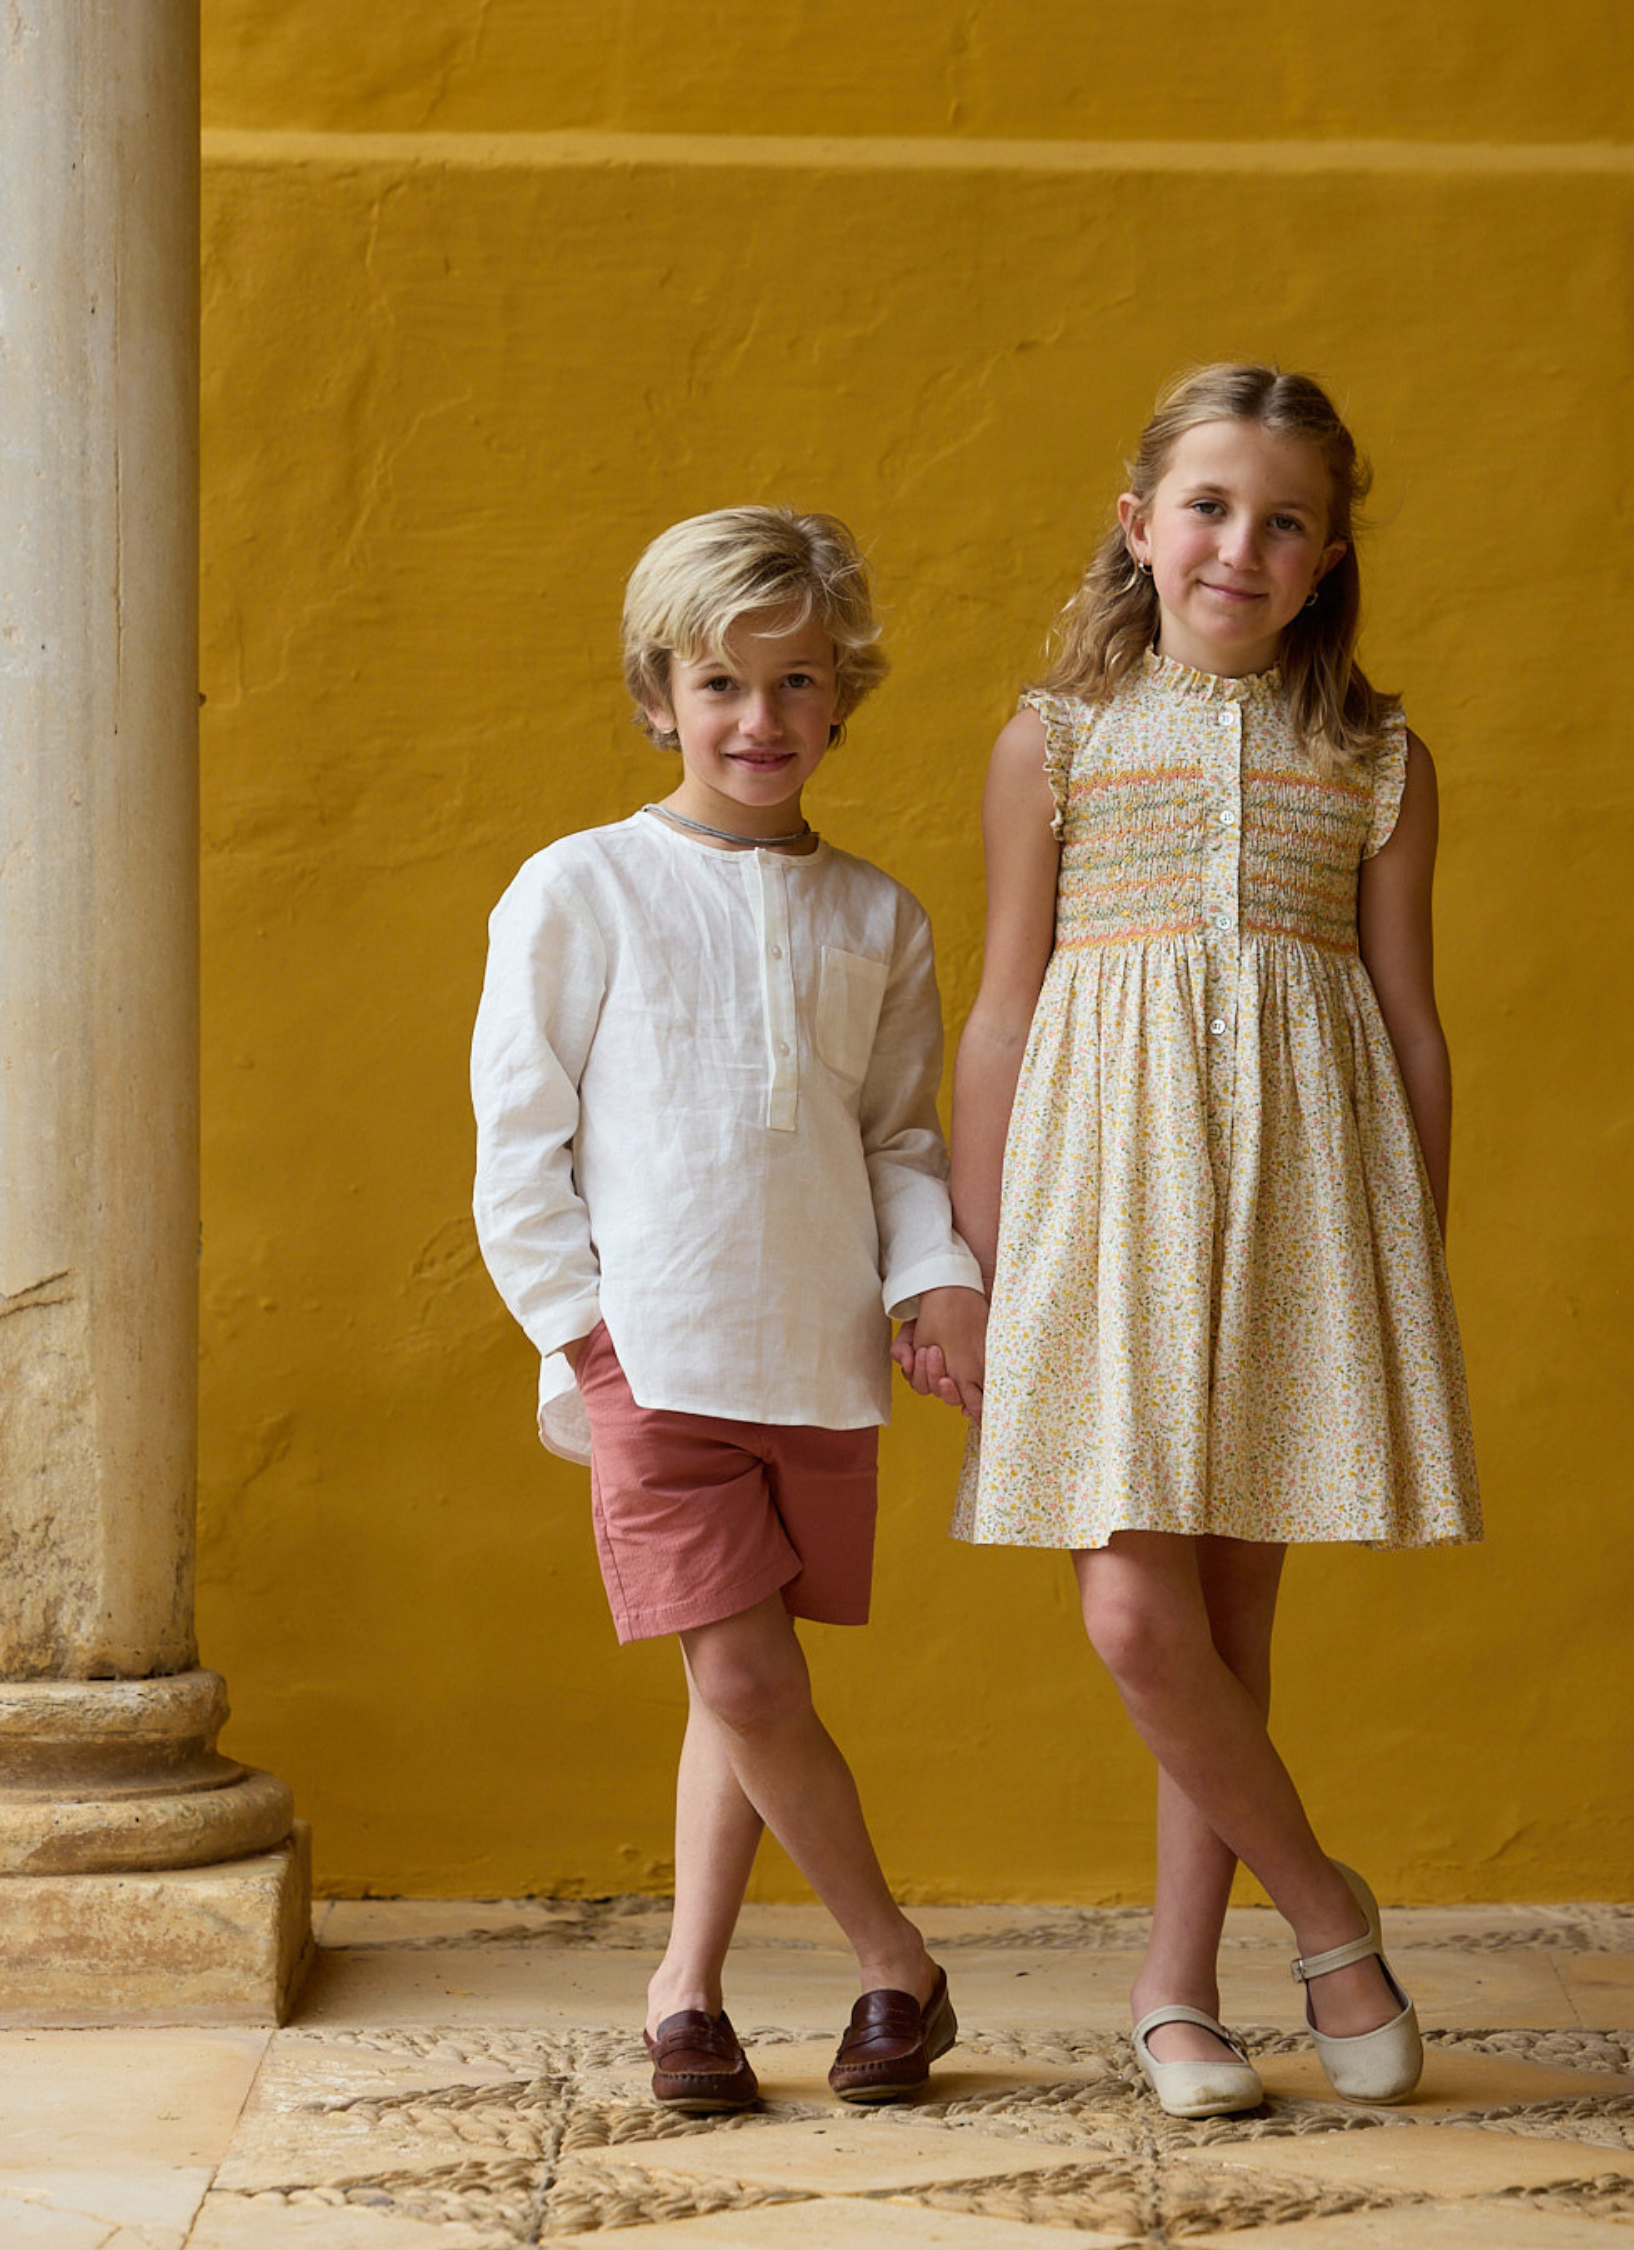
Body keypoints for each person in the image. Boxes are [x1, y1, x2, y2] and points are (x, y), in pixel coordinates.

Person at [902, 364, 1481, 2115]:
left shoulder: (1380, 757)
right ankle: (1330, 1917)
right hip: (1102, 1210)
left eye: (1285, 517)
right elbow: (1002, 1013)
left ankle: (1175, 1995)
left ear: (1325, 558)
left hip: (1306, 1216)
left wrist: (1409, 1267)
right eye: (1211, 505)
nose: (1243, 542)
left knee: (1227, 1626)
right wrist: (984, 1264)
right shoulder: (1053, 742)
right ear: (1140, 523)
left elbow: (1411, 1023)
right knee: (1136, 1614)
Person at [472, 506, 987, 2114]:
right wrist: (584, 1332)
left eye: (798, 684)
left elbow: (898, 1138)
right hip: (655, 1356)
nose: (759, 721)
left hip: (817, 1359)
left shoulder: (880, 919)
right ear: (657, 694)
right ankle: (894, 1956)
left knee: (736, 1680)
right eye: (721, 684)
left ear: (843, 699)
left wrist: (936, 1278)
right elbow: (518, 1137)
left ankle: (683, 1992)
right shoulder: (582, 889)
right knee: (751, 1676)